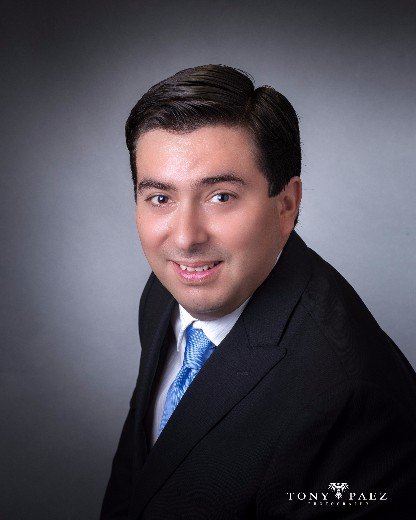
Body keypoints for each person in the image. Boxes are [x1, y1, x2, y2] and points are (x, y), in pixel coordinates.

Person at [101, 65, 416, 519]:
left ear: (286, 205)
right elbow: (144, 480)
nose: (185, 238)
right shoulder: (166, 291)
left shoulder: (349, 397)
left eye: (221, 196)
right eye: (160, 198)